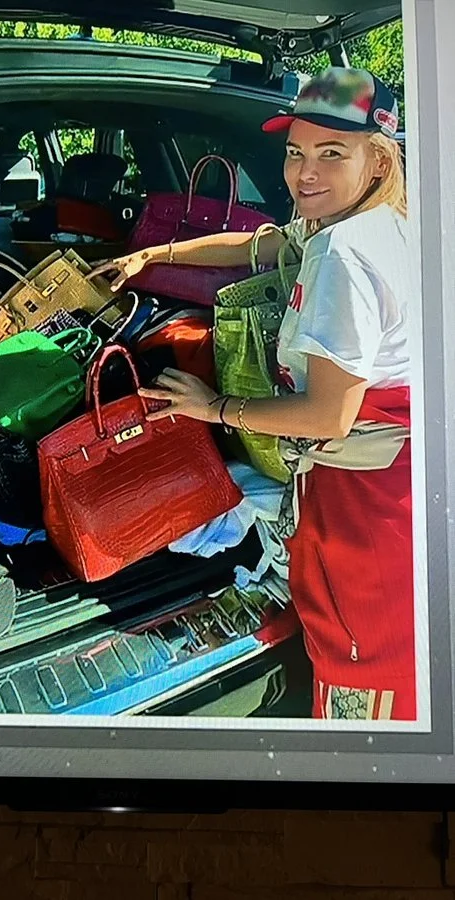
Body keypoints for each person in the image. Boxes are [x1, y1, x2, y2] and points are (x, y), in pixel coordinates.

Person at [90, 67, 414, 721]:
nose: (304, 173)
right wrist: (154, 256)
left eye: (331, 153)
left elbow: (329, 412)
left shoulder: (343, 255)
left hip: (368, 506)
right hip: (388, 488)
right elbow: (254, 245)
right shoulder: (370, 225)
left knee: (366, 675)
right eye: (295, 152)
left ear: (376, 160)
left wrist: (211, 409)